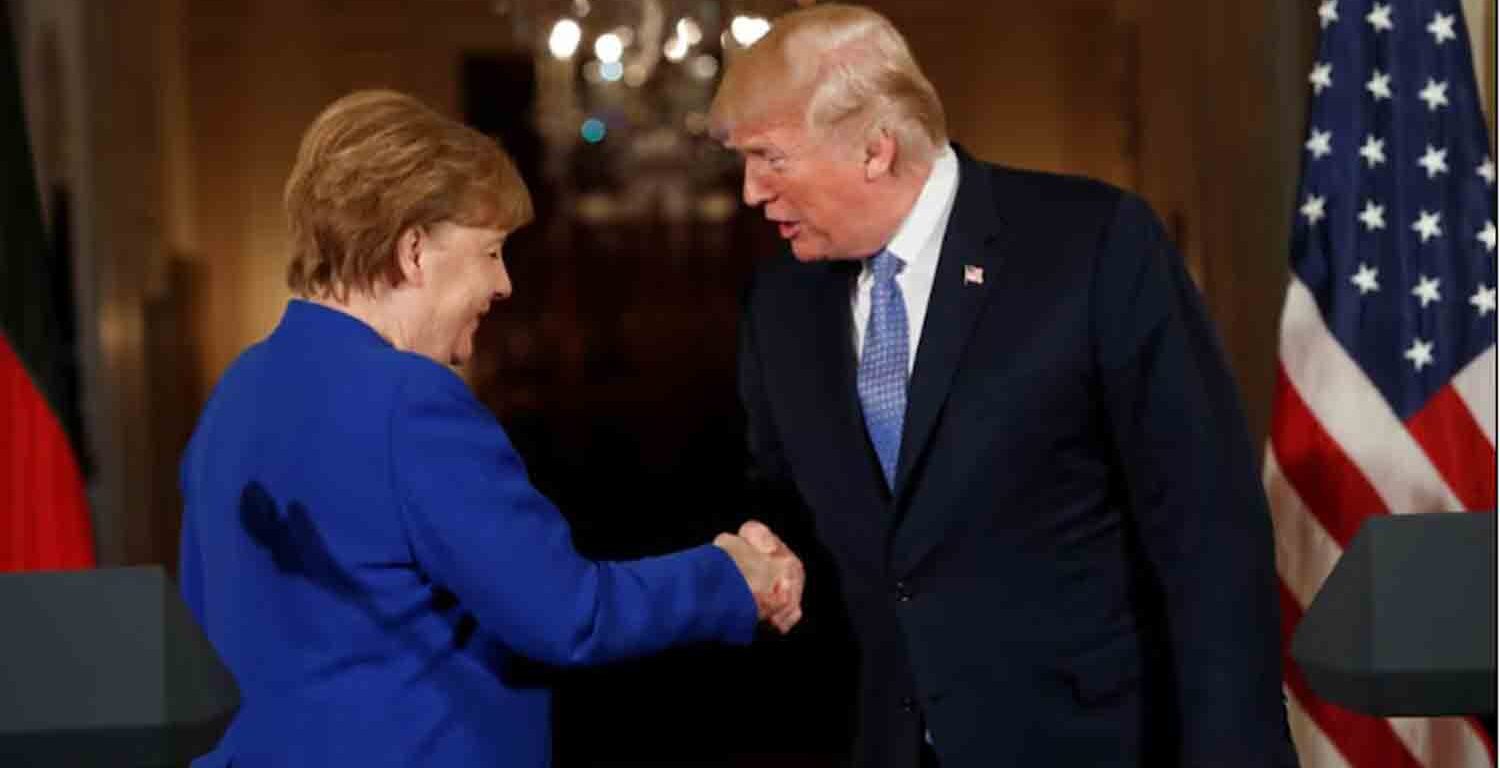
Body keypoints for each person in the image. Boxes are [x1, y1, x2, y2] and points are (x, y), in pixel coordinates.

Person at [711, 5, 1297, 768]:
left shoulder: (1094, 247)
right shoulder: (779, 308)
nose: (752, 192)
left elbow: (1207, 531)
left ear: (875, 150)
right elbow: (785, 509)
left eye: (771, 158)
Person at [176, 89, 804, 767]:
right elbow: (566, 614)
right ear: (413, 251)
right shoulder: (410, 403)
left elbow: (206, 641)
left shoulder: (236, 391)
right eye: (492, 250)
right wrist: (730, 577)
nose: (504, 284)